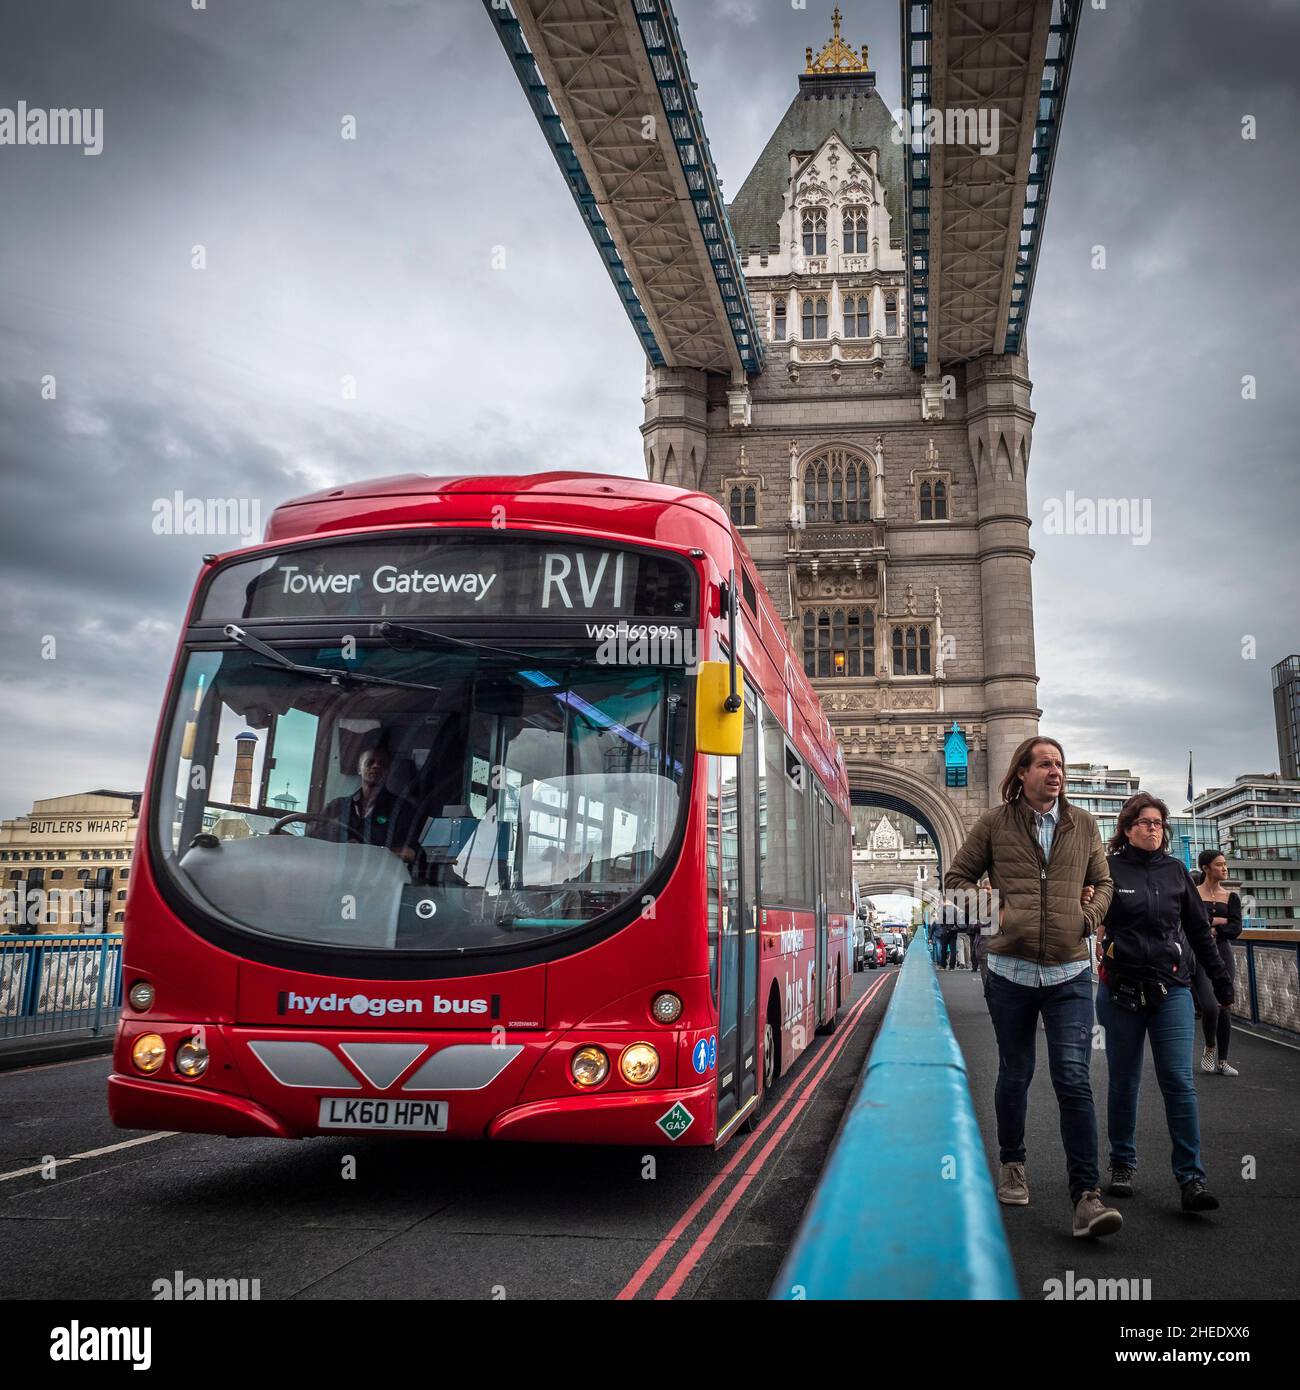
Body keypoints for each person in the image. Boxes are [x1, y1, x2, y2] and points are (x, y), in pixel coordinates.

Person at [946, 735, 1120, 1239]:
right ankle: (1013, 1162)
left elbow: (1104, 883)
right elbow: (956, 879)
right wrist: (999, 914)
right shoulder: (993, 824)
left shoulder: (1084, 824)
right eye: (1044, 764)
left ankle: (1087, 1197)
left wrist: (1086, 920)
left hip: (1069, 974)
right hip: (1011, 974)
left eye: (1059, 764)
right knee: (1016, 1072)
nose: (1055, 771)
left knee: (1073, 1078)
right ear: (1021, 773)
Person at [1095, 795, 1233, 1213]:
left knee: (1178, 1081)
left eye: (1158, 823)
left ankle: (1191, 1178)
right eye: (1144, 822)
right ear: (1128, 827)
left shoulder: (1176, 872)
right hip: (1122, 989)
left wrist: (1222, 982)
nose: (1153, 829)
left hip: (1172, 987)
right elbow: (1087, 918)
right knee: (1124, 1080)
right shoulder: (1109, 871)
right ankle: (1122, 1164)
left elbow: (1198, 932)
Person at [313, 741, 420, 862]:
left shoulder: (402, 809)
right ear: (359, 769)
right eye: (370, 762)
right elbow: (312, 841)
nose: (376, 766)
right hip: (334, 873)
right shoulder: (337, 806)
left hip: (378, 876)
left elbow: (411, 852)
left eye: (382, 764)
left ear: (388, 771)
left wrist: (367, 852)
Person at [1191, 849, 1242, 1076]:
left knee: (1224, 1006)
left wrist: (1214, 926)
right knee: (1210, 1006)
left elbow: (1235, 929)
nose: (1224, 868)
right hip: (1201, 954)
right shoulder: (1193, 893)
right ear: (1205, 868)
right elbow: (1190, 922)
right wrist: (1216, 920)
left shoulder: (1231, 897)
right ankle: (1210, 1047)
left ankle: (1223, 1060)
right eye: (1219, 864)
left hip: (1223, 953)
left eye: (1225, 864)